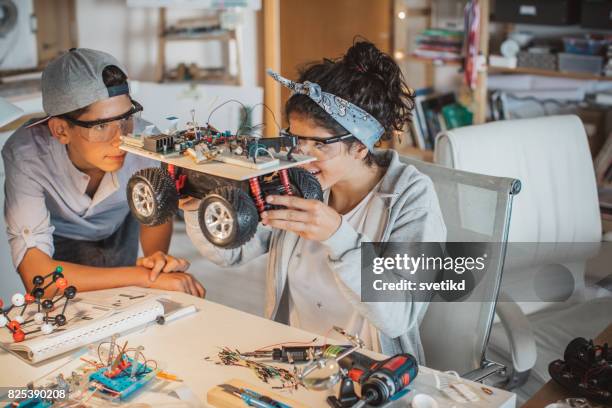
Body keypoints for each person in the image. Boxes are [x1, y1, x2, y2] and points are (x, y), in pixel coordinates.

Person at [181, 41, 445, 360]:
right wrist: (197, 206)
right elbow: (231, 254)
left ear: (361, 147)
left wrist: (340, 238)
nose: (300, 157)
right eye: (294, 139)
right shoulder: (294, 180)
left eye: (319, 144)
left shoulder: (412, 198)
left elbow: (398, 318)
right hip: (291, 358)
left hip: (370, 371)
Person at [2, 48, 205, 298]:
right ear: (60, 130)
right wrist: (145, 279)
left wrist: (156, 262)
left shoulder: (144, 140)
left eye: (126, 118)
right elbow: (39, 278)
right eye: (101, 126)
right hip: (62, 240)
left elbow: (157, 208)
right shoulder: (26, 153)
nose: (120, 138)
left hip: (121, 227)